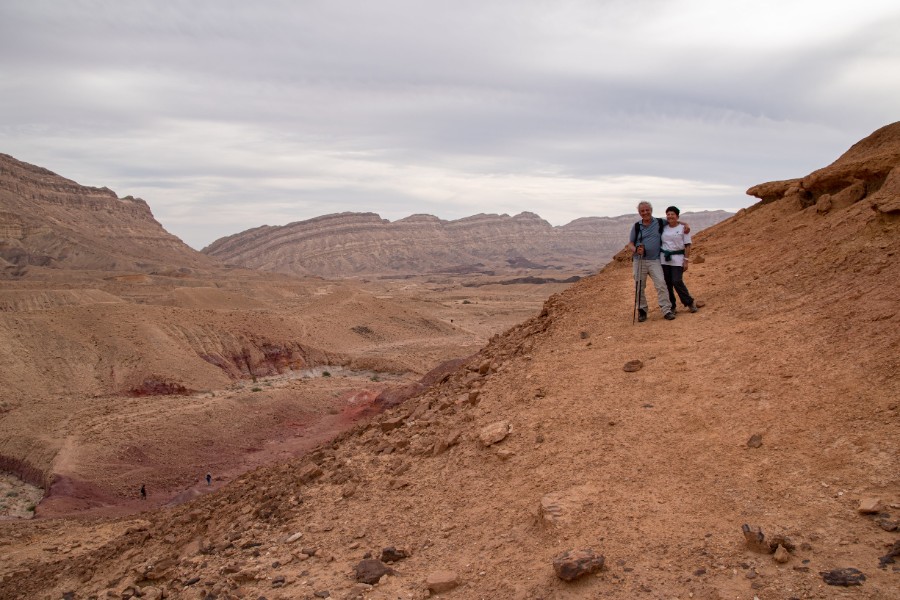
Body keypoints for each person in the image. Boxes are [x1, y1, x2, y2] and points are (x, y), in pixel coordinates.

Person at [626, 201, 676, 321]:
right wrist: (636, 250)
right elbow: (630, 244)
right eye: (642, 211)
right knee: (639, 286)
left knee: (661, 284)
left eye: (647, 210)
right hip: (640, 261)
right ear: (639, 213)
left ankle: (666, 310)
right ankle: (642, 311)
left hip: (655, 260)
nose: (645, 213)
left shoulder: (659, 222)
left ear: (651, 210)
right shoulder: (637, 226)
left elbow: (673, 222)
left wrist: (685, 225)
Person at [660, 206, 699, 313]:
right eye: (668, 214)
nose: (670, 216)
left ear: (677, 216)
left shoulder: (683, 229)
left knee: (677, 281)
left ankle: (689, 302)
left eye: (672, 214)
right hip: (664, 259)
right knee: (667, 283)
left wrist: (686, 260)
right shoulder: (664, 227)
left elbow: (687, 245)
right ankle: (672, 306)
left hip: (678, 258)